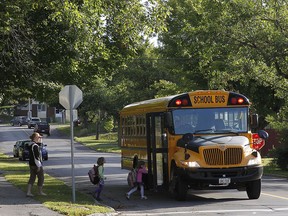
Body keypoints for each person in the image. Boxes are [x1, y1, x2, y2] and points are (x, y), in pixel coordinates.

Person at [26, 132, 46, 197]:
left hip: (31, 164)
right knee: (41, 177)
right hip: (36, 164)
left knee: (32, 178)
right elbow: (36, 157)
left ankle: (28, 192)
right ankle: (40, 192)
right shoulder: (35, 146)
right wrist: (39, 166)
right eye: (39, 137)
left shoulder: (31, 145)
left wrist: (40, 140)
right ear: (35, 138)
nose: (40, 138)